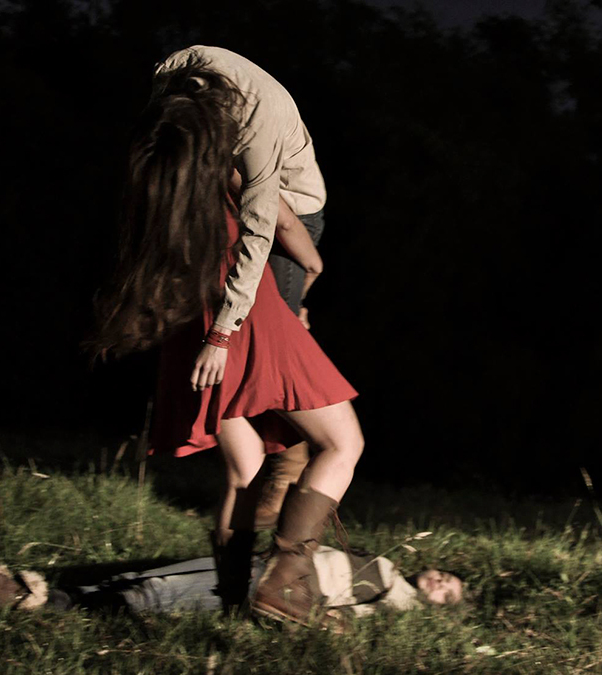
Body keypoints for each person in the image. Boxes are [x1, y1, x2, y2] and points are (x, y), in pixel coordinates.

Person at [92, 45, 365, 625]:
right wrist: (312, 264)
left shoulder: (168, 187)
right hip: (248, 320)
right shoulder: (234, 165)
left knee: (244, 471)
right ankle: (285, 584)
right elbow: (278, 220)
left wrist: (212, 338)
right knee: (342, 443)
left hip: (192, 324)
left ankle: (236, 598)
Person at [0, 541, 464, 624]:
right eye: (445, 575)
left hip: (274, 588)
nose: (440, 580)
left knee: (151, 594)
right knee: (141, 576)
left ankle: (19, 596)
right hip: (261, 563)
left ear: (437, 608)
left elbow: (338, 618)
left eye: (448, 590)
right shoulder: (387, 565)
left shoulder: (398, 604)